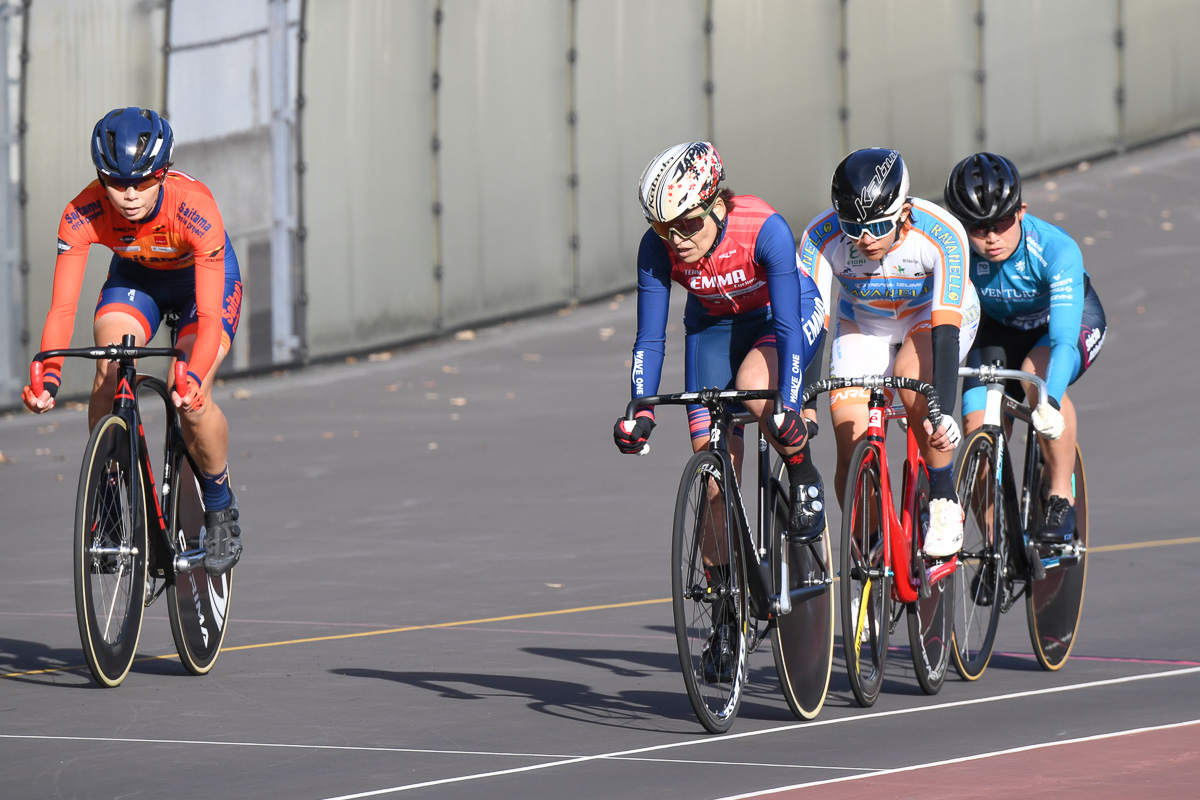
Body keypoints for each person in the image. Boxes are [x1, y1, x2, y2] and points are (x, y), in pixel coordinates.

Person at [613, 141, 829, 681]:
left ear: (714, 205)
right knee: (712, 472)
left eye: (686, 225)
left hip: (784, 319)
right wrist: (640, 411)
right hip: (712, 331)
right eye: (664, 230)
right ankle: (726, 611)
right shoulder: (657, 246)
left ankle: (803, 475)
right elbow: (649, 337)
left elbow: (786, 327)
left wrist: (790, 406)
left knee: (759, 391)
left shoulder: (764, 229)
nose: (676, 241)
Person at [22, 107, 244, 574]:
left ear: (161, 174)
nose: (127, 196)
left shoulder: (195, 209)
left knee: (189, 392)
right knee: (109, 362)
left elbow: (206, 316)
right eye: (114, 181)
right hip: (136, 279)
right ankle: (107, 496)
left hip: (200, 286)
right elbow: (62, 309)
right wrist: (49, 376)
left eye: (142, 182)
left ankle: (220, 506)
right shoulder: (81, 212)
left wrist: (195, 377)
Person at [798, 148, 981, 558]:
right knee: (849, 437)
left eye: (878, 226)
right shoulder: (820, 237)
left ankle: (943, 497)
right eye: (853, 227)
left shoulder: (941, 233)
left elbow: (946, 333)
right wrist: (807, 402)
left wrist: (943, 412)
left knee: (912, 378)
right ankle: (868, 549)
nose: (864, 239)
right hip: (865, 325)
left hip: (932, 319)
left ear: (903, 211)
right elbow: (812, 325)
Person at [944, 152, 1105, 543]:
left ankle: (1060, 498)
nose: (991, 237)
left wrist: (1049, 401)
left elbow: (1065, 341)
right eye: (978, 227)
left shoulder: (1054, 250)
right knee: (976, 428)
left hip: (1062, 324)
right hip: (998, 327)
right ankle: (996, 547)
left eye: (1001, 222)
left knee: (1038, 377)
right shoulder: (955, 251)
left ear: (1021, 211)